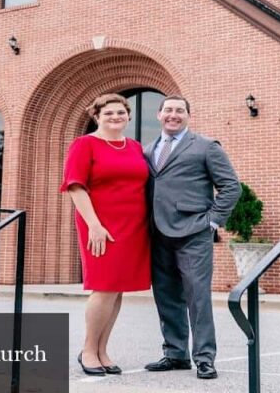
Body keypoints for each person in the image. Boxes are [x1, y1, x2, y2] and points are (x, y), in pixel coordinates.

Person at [143, 95, 241, 380]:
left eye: (180, 111)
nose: (174, 115)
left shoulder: (206, 147)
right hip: (158, 233)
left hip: (194, 232)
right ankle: (175, 354)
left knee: (198, 297)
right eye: (169, 110)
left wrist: (211, 222)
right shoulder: (149, 150)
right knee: (165, 296)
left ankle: (204, 358)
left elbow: (231, 188)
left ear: (188, 116)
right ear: (159, 115)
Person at [61, 93, 151, 376]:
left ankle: (103, 350)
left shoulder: (135, 147)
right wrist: (95, 226)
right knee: (104, 286)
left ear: (128, 117)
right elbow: (75, 186)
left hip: (134, 226)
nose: (116, 117)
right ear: (97, 117)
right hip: (101, 225)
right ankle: (88, 349)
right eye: (109, 113)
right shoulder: (85, 144)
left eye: (121, 113)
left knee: (117, 288)